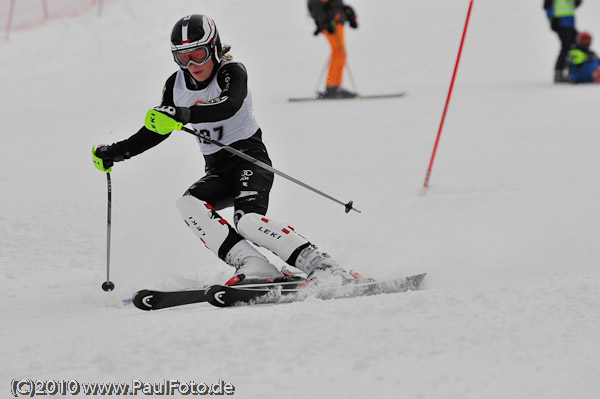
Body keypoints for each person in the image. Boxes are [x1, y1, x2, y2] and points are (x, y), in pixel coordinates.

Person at [92, 14, 363, 287]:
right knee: (188, 204)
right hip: (218, 170)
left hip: (250, 159)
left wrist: (182, 113)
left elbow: (228, 105)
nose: (192, 64)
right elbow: (157, 130)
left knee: (247, 222)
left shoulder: (232, 72)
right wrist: (116, 152)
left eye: (198, 54)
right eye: (183, 58)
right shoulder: (174, 85)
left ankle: (322, 265)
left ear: (213, 47)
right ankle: (254, 264)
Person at [307, 0, 358, 98]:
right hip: (331, 25)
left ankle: (335, 87)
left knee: (341, 53)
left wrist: (350, 14)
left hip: (337, 24)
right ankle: (331, 87)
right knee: (339, 52)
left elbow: (337, 6)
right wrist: (324, 23)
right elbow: (316, 6)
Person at [544, 0, 582, 83]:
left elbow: (571, 6)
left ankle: (575, 70)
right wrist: (552, 18)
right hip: (561, 21)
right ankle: (559, 72)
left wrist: (577, 2)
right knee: (566, 46)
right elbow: (547, 5)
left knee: (577, 45)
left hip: (570, 22)